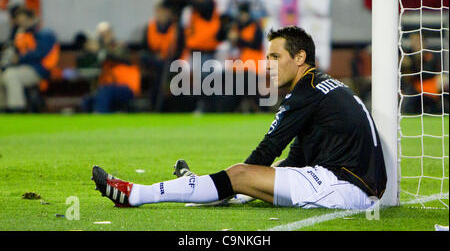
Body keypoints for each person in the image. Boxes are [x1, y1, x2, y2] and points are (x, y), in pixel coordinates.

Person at [92, 26, 387, 210]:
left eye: (275, 57)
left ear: (299, 59)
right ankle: (211, 188)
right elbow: (295, 158)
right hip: (351, 184)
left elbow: (267, 149)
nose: (268, 64)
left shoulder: (306, 91)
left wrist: (235, 180)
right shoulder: (322, 89)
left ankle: (135, 194)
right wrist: (236, 185)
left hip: (345, 187)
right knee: (246, 177)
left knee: (240, 173)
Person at [0, 7, 59, 112]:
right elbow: (14, 50)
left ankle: (16, 109)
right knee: (3, 74)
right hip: (22, 67)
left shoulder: (45, 33)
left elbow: (40, 53)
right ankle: (3, 109)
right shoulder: (20, 33)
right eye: (20, 22)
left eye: (24, 21)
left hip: (39, 69)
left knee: (11, 76)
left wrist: (19, 59)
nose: (22, 24)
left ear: (32, 19)